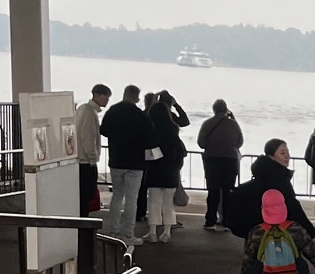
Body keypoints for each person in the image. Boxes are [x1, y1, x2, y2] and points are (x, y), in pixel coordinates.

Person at [226, 139, 315, 274]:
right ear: (271, 155)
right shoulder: (277, 178)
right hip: (268, 233)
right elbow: (293, 207)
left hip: (255, 230)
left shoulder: (265, 175)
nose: (287, 156)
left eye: (287, 151)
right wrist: (309, 232)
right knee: (263, 272)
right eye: (282, 152)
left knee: (258, 270)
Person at [100, 84, 154, 244]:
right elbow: (151, 139)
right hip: (136, 163)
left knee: (117, 196)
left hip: (116, 160)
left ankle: (113, 231)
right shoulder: (140, 115)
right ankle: (128, 234)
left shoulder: (113, 111)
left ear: (124, 94)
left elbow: (103, 130)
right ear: (136, 97)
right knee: (132, 199)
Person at [141, 90, 190, 243]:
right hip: (171, 172)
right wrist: (176, 166)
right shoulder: (173, 131)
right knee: (168, 203)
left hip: (154, 170)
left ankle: (152, 232)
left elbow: (147, 149)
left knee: (153, 202)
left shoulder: (151, 131)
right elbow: (181, 152)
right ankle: (167, 233)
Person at [196, 97, 244, 230]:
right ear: (226, 110)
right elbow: (240, 142)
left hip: (212, 160)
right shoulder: (234, 124)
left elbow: (201, 143)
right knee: (227, 192)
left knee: (213, 191)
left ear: (214, 110)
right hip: (230, 160)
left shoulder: (207, 123)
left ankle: (210, 220)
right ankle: (226, 221)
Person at [76, 83, 110, 217]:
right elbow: (88, 138)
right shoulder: (90, 112)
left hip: (79, 160)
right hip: (86, 162)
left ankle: (80, 220)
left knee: (81, 196)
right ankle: (83, 223)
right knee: (86, 195)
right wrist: (92, 159)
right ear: (97, 95)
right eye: (105, 96)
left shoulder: (82, 109)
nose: (107, 100)